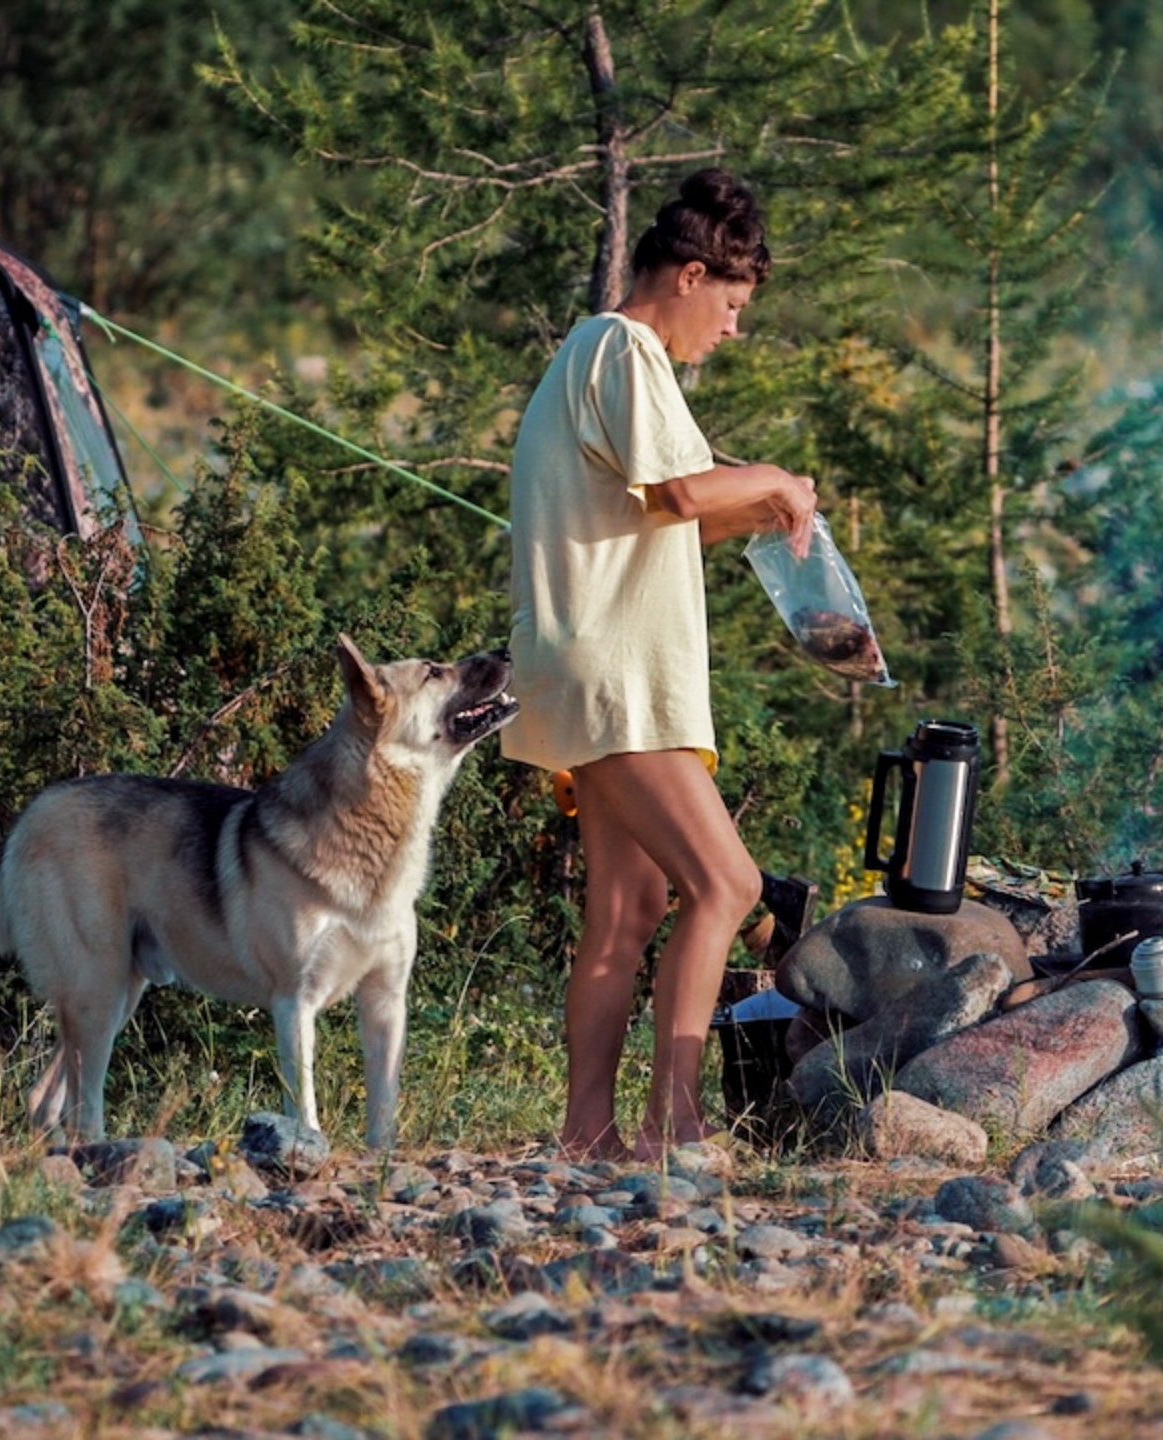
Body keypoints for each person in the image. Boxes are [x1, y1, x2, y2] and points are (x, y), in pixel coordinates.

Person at [505, 169, 817, 1162]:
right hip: (616, 681)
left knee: (626, 912)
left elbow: (664, 513)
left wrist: (766, 505)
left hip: (587, 675)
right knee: (726, 885)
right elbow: (684, 495)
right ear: (687, 277)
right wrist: (770, 476)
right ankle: (673, 1125)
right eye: (728, 306)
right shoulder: (624, 346)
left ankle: (586, 1135)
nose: (731, 329)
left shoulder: (591, 359)